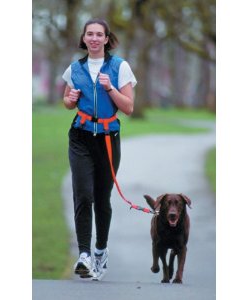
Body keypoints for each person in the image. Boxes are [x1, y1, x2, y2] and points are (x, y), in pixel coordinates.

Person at [62, 18, 137, 280]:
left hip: (107, 137)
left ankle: (100, 250)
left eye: (99, 34)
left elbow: (128, 107)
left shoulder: (120, 67)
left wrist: (110, 88)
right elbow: (68, 101)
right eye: (89, 34)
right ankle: (83, 255)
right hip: (80, 137)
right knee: (83, 194)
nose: (93, 38)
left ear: (106, 39)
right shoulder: (74, 68)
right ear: (83, 38)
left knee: (101, 198)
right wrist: (69, 100)